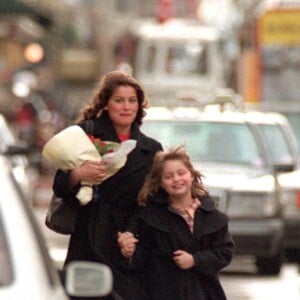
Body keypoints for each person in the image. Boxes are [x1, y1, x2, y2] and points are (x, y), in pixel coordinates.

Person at [52, 70, 163, 300]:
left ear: (139, 106)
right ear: (106, 104)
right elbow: (60, 185)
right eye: (119, 100)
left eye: (132, 101)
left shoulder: (150, 149)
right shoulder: (84, 134)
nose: (126, 107)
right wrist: (78, 174)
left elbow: (155, 201)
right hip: (88, 238)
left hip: (129, 242)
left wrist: (132, 233)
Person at [118, 146, 235, 300]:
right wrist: (128, 252)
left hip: (204, 293)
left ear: (192, 175)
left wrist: (195, 260)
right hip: (161, 292)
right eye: (168, 176)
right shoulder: (148, 218)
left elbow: (224, 252)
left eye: (181, 173)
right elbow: (140, 260)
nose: (176, 179)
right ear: (160, 182)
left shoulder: (212, 216)